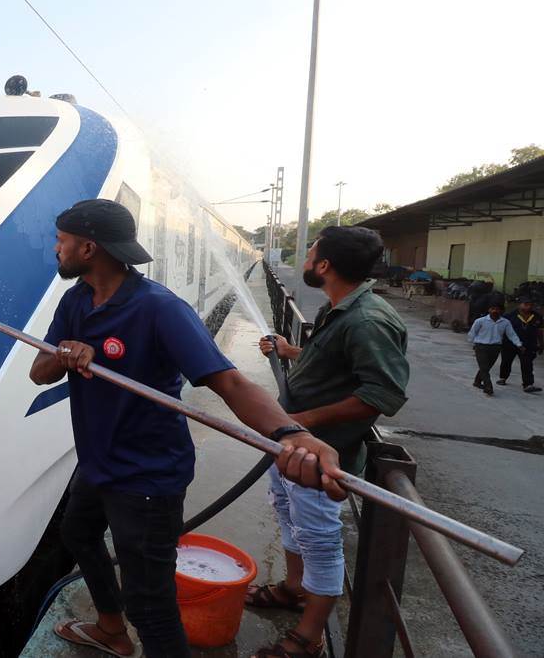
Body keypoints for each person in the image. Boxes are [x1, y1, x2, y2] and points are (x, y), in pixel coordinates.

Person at [31, 199, 346, 658]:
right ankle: (111, 631)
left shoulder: (159, 309)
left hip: (146, 478)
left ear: (88, 247)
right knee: (78, 534)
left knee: (151, 604)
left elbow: (231, 382)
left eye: (61, 240)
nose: (55, 249)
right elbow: (39, 373)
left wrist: (289, 434)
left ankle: (129, 626)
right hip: (98, 463)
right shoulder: (76, 300)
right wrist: (62, 353)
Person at [254, 226, 409, 658]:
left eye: (311, 255)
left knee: (320, 542)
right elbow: (334, 363)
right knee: (288, 516)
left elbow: (383, 394)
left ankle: (309, 637)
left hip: (320, 456)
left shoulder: (368, 319)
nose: (304, 262)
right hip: (292, 445)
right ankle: (292, 588)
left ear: (324, 266)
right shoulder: (340, 309)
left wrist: (300, 421)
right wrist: (290, 351)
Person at [468, 301, 522, 396]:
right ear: (489, 310)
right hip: (481, 346)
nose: (495, 311)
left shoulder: (505, 322)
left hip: (495, 348)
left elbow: (511, 334)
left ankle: (477, 381)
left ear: (501, 311)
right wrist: (473, 344)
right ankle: (488, 387)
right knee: (484, 367)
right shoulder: (480, 321)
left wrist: (518, 344)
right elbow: (472, 333)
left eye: (497, 309)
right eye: (492, 309)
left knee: (487, 367)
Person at [497, 299, 543, 393]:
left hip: (528, 344)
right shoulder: (509, 316)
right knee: (506, 361)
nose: (528, 307)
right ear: (519, 305)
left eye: (531, 305)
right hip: (510, 344)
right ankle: (503, 378)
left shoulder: (537, 317)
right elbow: (501, 330)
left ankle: (528, 384)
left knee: (527, 364)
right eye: (526, 304)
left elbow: (540, 331)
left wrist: (541, 344)